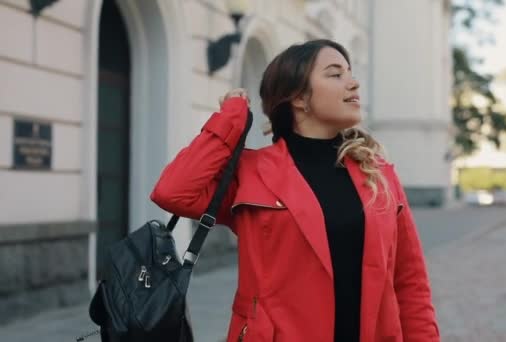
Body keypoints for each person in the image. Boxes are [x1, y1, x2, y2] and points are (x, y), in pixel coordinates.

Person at [150, 39, 440, 342]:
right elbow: (172, 192)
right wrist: (230, 120)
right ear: (299, 97)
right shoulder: (252, 172)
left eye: (350, 73)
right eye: (335, 74)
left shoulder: (378, 174)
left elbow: (410, 283)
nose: (353, 83)